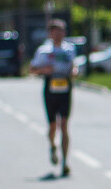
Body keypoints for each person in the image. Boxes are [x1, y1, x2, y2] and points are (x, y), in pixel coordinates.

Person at [28, 19, 78, 176]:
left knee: (64, 124)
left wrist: (74, 71)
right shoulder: (44, 51)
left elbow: (73, 64)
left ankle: (65, 162)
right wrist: (44, 70)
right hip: (50, 88)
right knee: (52, 126)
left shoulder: (69, 49)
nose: (58, 35)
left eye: (61, 31)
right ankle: (52, 146)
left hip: (65, 87)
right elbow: (32, 69)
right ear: (50, 34)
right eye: (55, 32)